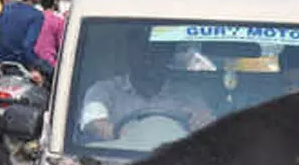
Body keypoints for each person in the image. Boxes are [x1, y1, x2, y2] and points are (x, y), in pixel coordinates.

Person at [79, 34, 214, 141]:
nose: (148, 59)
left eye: (157, 52)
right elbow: (94, 123)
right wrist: (126, 134)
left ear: (168, 56)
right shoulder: (103, 91)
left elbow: (207, 126)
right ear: (130, 55)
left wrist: (199, 124)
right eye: (142, 52)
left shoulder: (188, 94)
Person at [0, 0, 51, 84]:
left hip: (2, 64)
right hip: (22, 64)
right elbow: (28, 46)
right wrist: (33, 69)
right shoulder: (36, 15)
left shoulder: (7, 8)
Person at [34, 0, 66, 67]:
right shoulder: (58, 21)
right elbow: (62, 46)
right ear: (55, 1)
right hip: (49, 64)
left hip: (33, 61)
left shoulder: (35, 17)